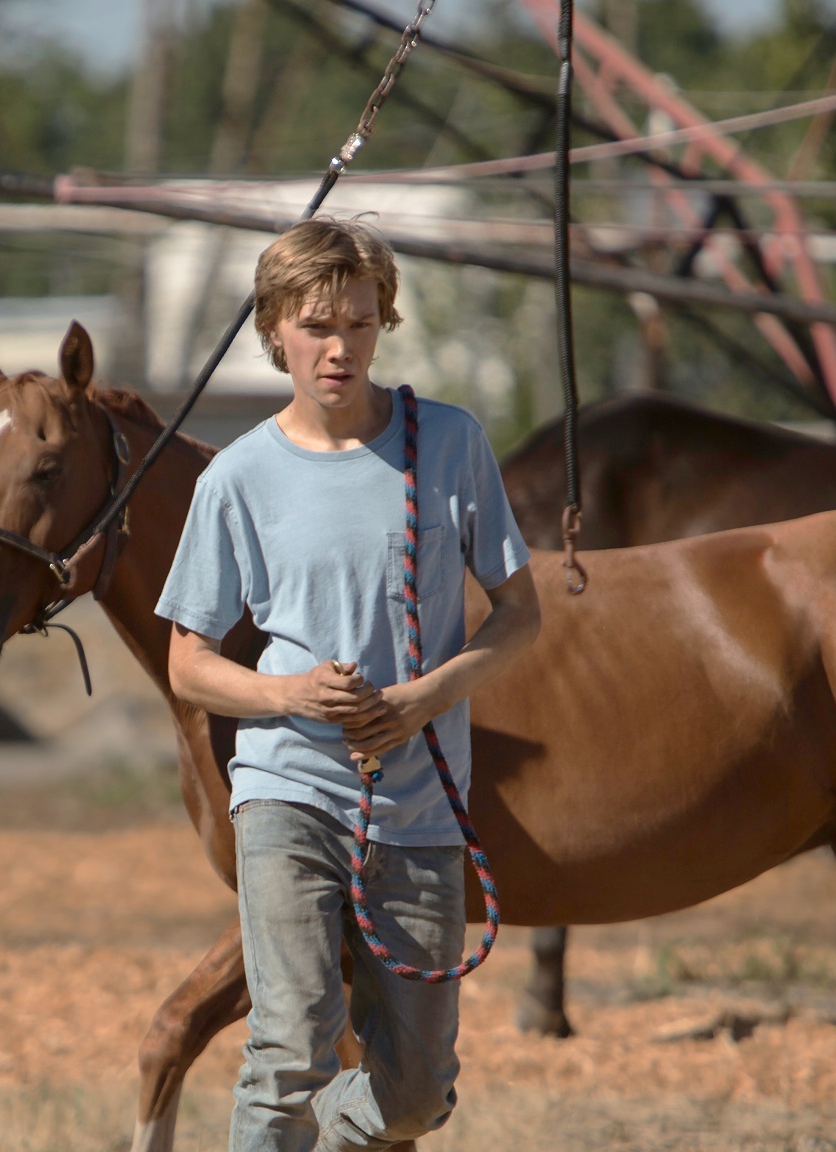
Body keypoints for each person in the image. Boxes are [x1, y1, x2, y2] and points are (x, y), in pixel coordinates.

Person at [156, 218, 541, 1151]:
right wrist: (289, 696)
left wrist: (424, 700)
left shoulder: (448, 444)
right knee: (288, 1054)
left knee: (414, 1098)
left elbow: (524, 616)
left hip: (420, 810)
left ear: (384, 325)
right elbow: (188, 663)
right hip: (288, 792)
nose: (341, 349)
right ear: (277, 329)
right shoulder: (238, 476)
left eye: (361, 326)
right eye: (319, 326)